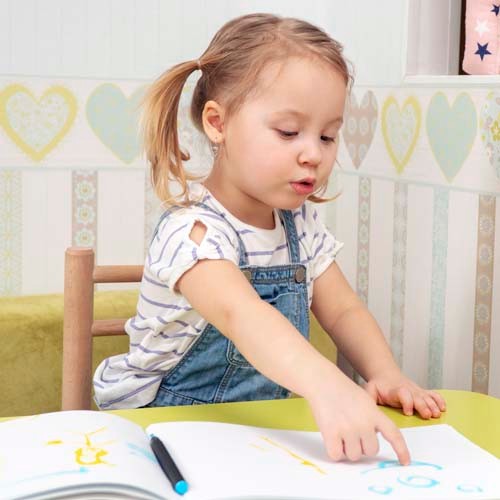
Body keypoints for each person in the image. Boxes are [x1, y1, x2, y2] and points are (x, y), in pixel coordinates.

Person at [94, 13, 446, 465]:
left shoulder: (302, 228)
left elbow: (342, 309)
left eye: (328, 136)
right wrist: (329, 385)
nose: (313, 153)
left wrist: (387, 374)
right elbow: (244, 316)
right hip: (161, 433)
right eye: (288, 132)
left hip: (257, 431)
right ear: (218, 124)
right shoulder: (194, 232)